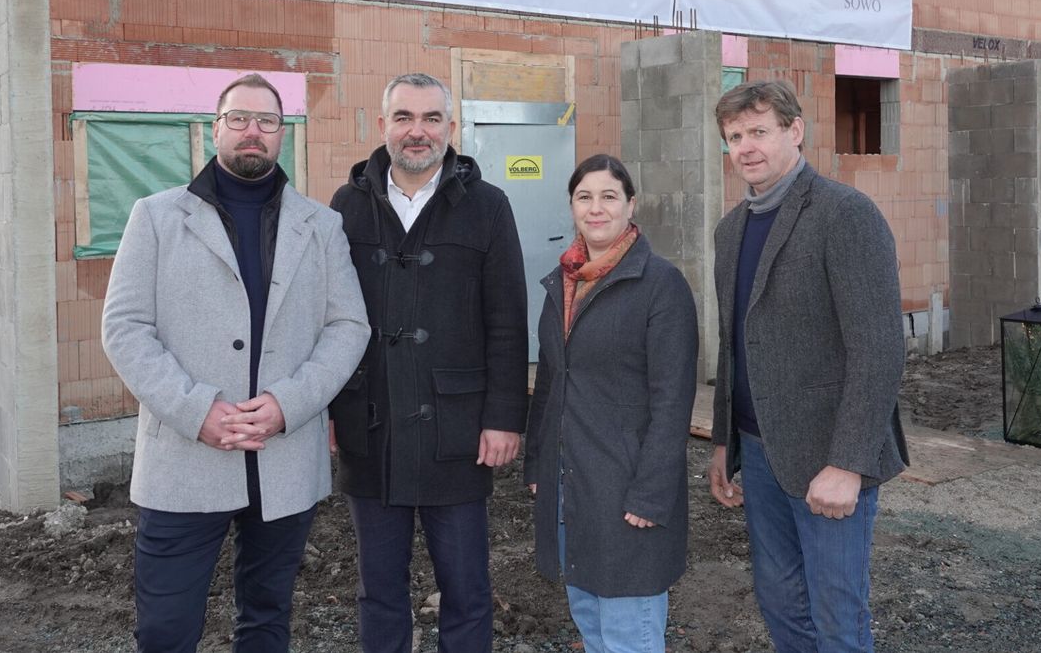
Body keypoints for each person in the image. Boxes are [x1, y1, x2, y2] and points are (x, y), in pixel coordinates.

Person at [102, 73, 371, 653]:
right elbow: (124, 329)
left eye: (268, 121)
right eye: (240, 119)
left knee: (268, 619)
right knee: (166, 628)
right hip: (185, 459)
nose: (254, 131)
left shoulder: (321, 227)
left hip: (282, 461)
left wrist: (289, 405)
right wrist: (195, 409)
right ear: (216, 128)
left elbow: (349, 327)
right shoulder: (155, 217)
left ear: (283, 133)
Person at [329, 72, 529, 653]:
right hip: (373, 425)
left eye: (431, 118)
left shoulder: (489, 207)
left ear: (451, 127)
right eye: (404, 118)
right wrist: (332, 414)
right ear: (382, 125)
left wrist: (505, 416)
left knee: (467, 588)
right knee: (378, 589)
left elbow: (508, 321)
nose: (417, 132)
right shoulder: (347, 206)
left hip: (459, 429)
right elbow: (327, 318)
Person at [707, 79, 909, 653]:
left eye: (759, 132)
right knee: (780, 603)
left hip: (828, 455)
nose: (746, 147)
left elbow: (879, 350)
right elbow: (733, 346)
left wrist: (847, 462)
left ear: (794, 132)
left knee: (837, 614)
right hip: (760, 451)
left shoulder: (844, 214)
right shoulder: (731, 230)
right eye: (734, 136)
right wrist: (726, 444)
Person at [523, 154, 699, 653]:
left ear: (630, 204)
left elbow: (673, 400)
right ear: (571, 206)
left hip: (627, 487)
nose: (595, 208)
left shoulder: (660, 285)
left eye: (608, 196)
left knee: (629, 630)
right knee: (590, 621)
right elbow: (551, 381)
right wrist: (538, 462)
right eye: (584, 197)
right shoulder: (563, 282)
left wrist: (651, 493)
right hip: (571, 481)